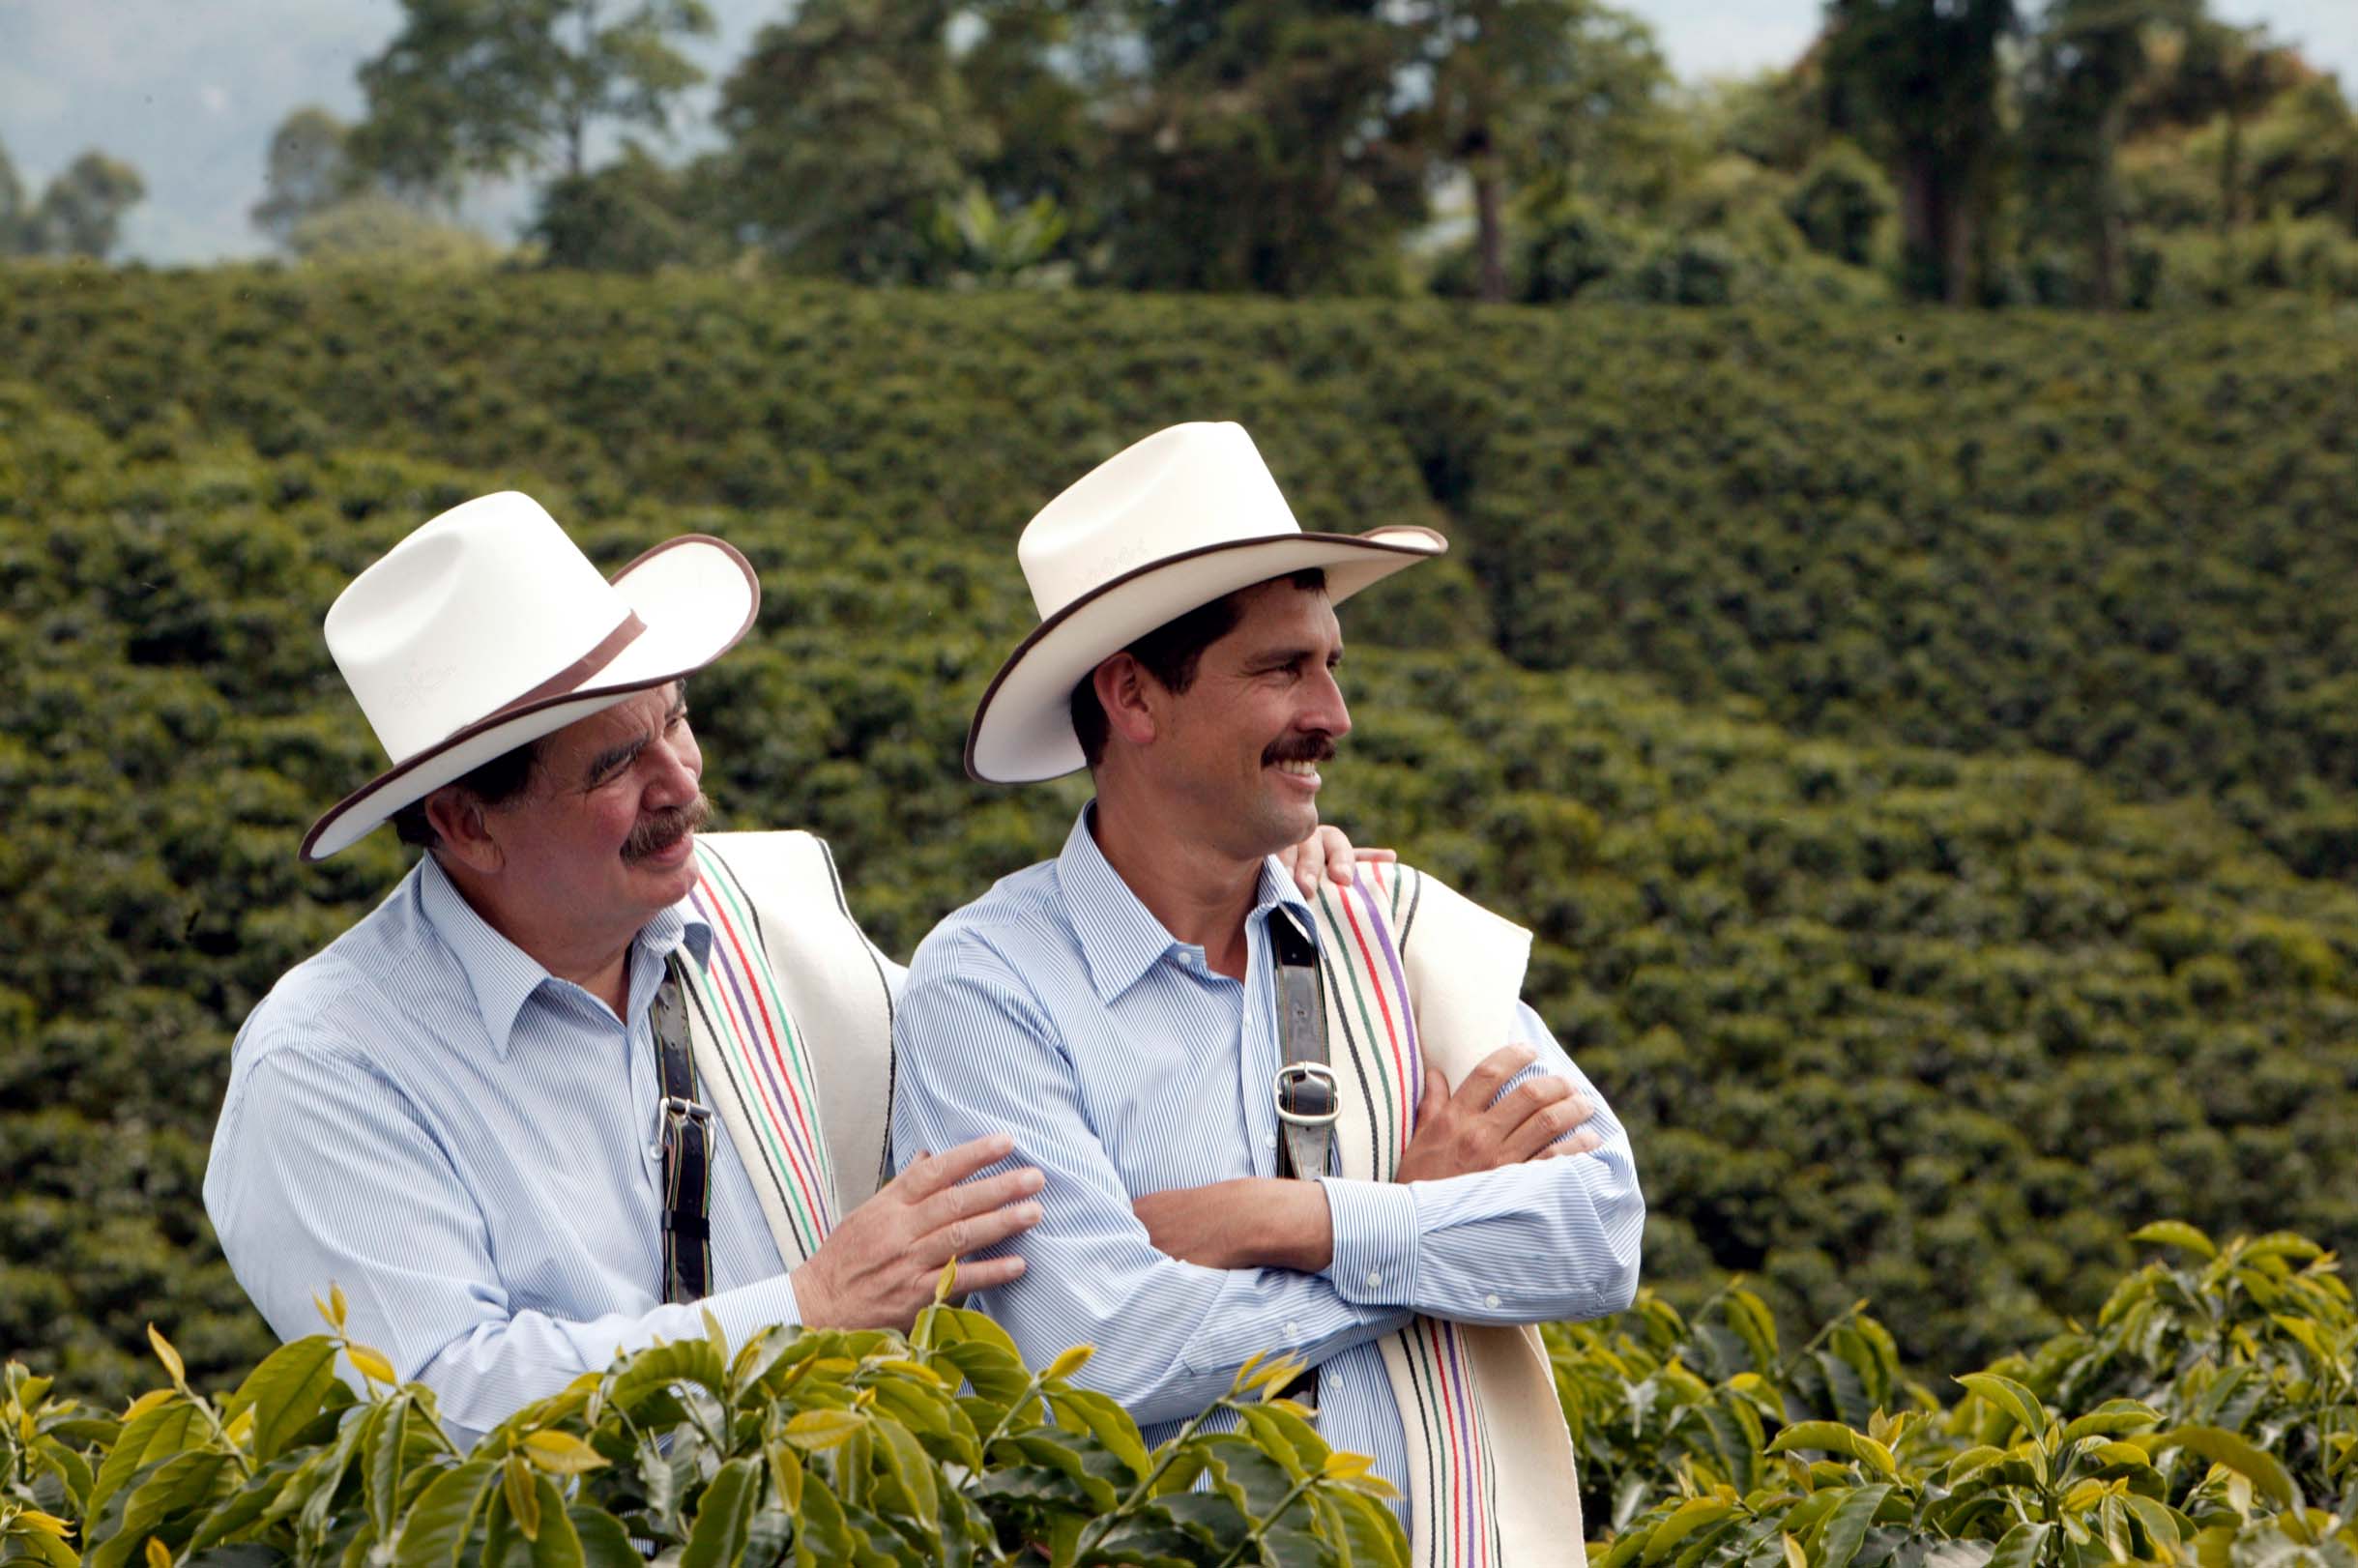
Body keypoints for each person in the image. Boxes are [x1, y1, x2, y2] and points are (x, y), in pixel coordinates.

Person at [202, 490, 1370, 1446]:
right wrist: (803, 1311)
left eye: (678, 720)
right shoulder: (329, 1067)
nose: (683, 782)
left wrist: (1250, 883)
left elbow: (1050, 1104)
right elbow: (447, 1399)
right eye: (617, 763)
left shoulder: (769, 910)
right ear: (464, 820)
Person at [892, 422, 1645, 1565]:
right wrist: (1420, 1232)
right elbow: (1098, 1351)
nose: (1334, 713)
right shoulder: (991, 985)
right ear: (1134, 696)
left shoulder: (1383, 926)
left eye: (1330, 662)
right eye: (1283, 668)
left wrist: (1289, 1219)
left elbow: (1597, 1226)